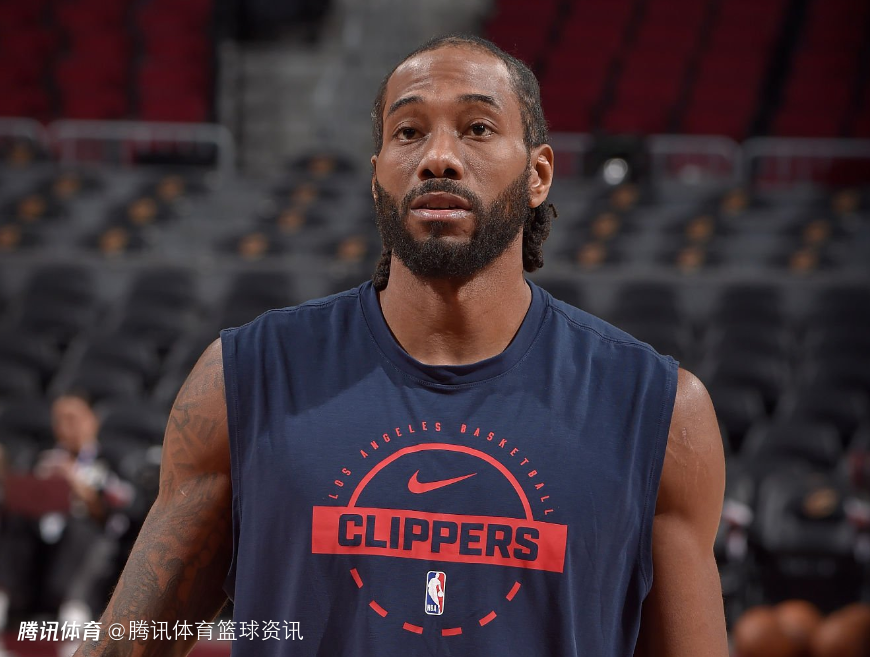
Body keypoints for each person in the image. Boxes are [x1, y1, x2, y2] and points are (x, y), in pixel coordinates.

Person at [74, 34, 727, 656]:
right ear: (377, 175)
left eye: (477, 128)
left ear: (538, 174)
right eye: (408, 131)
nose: (438, 157)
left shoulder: (658, 411)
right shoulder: (245, 379)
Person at [0, 392, 133, 635]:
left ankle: (74, 603)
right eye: (59, 420)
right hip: (43, 536)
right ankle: (6, 596)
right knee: (16, 523)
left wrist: (76, 483)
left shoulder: (112, 461)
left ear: (92, 421)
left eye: (72, 418)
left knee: (80, 527)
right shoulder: (41, 458)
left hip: (86, 539)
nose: (65, 427)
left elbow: (119, 512)